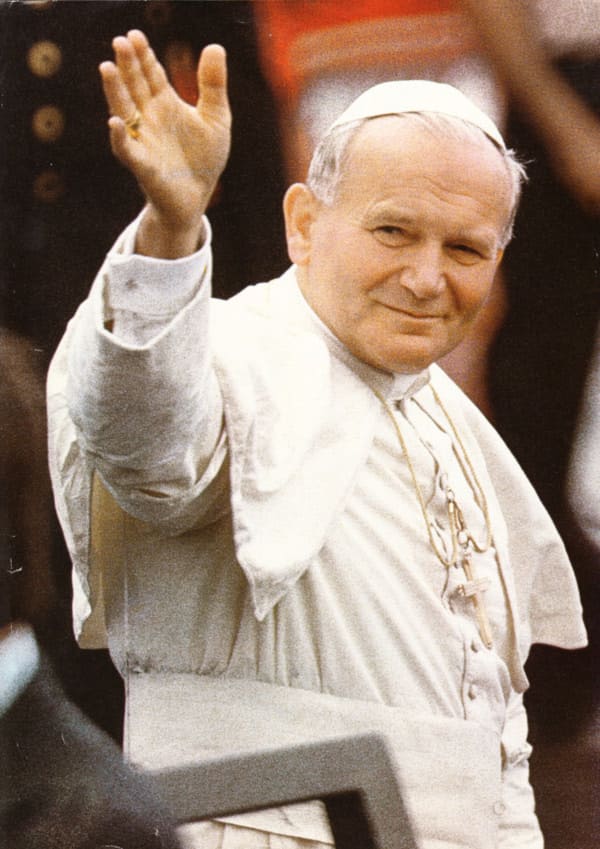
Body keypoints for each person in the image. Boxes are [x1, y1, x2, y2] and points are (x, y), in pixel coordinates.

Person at [47, 29, 587, 849]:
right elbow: (146, 445)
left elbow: (497, 740)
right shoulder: (226, 354)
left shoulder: (458, 429)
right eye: (393, 231)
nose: (427, 278)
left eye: (466, 248)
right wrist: (171, 231)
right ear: (303, 223)